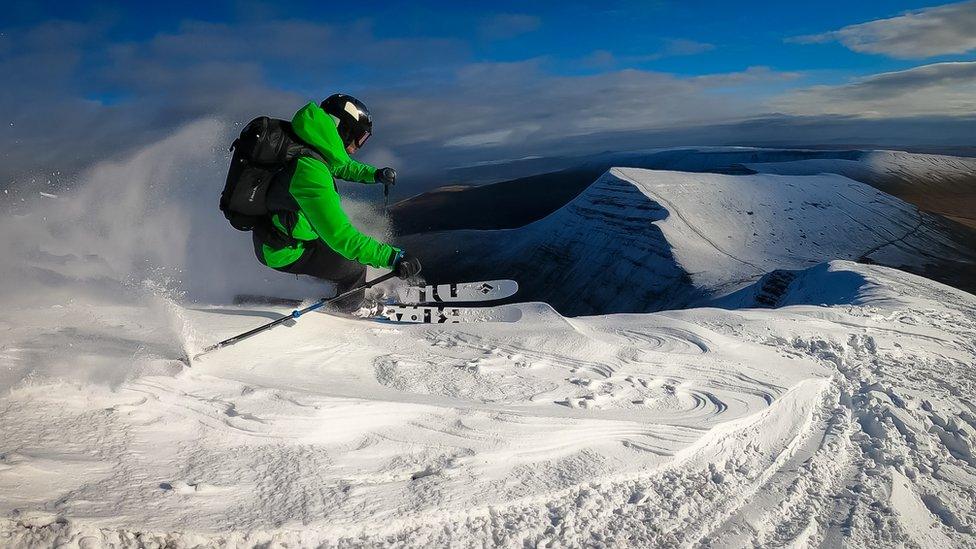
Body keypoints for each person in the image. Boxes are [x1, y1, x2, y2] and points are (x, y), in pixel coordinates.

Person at [253, 93, 421, 311]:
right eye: (359, 138)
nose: (356, 146)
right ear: (343, 129)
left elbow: (340, 165)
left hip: (283, 233)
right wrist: (394, 257)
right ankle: (346, 311)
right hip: (283, 248)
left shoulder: (309, 144)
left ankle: (333, 290)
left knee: (339, 253)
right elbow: (341, 237)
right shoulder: (310, 171)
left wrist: (374, 174)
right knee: (355, 267)